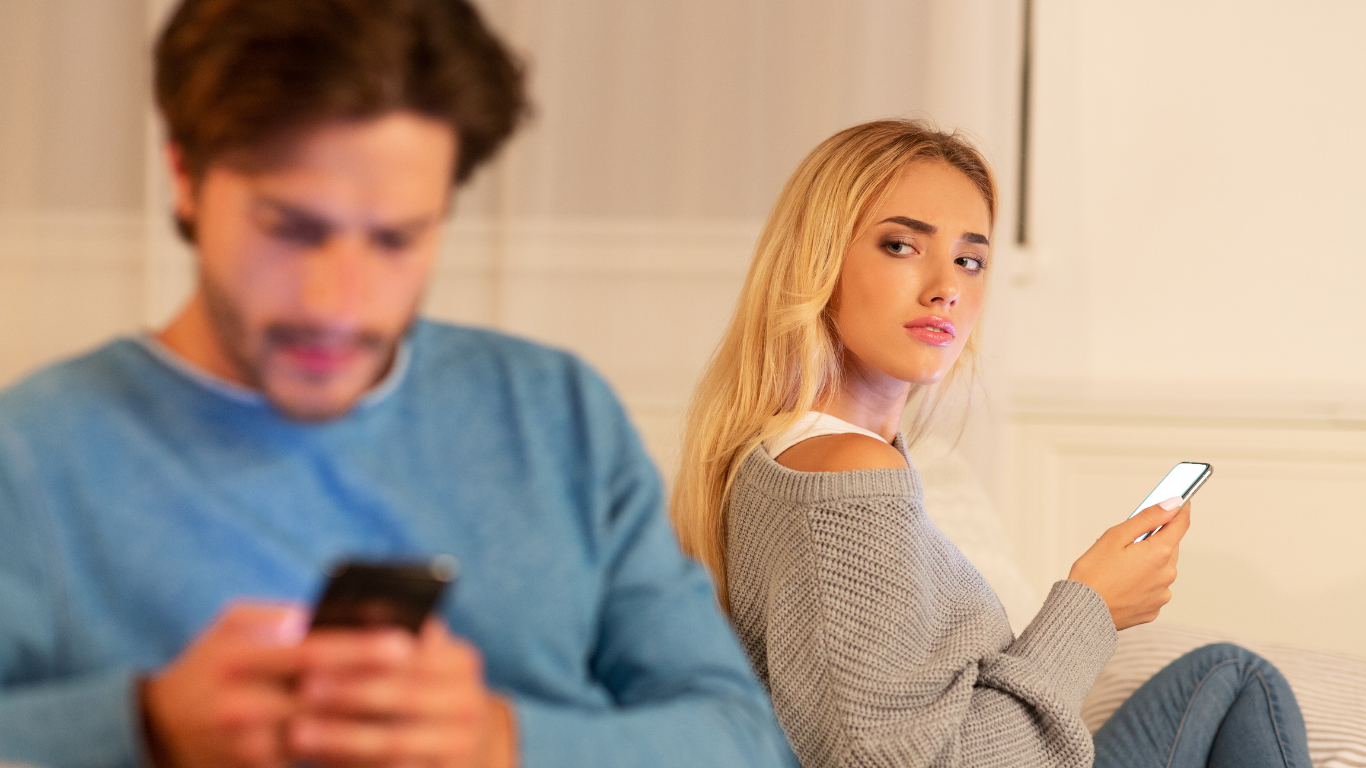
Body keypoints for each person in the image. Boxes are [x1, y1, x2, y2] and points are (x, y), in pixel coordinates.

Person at [0, 2, 796, 767]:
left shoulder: (556, 415)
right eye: (292, 229)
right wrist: (143, 727)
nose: (337, 304)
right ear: (184, 175)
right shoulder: (37, 453)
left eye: (396, 239)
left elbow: (745, 745)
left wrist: (499, 745)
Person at [670, 119, 1311, 768]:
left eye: (969, 260)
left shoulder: (781, 454)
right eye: (900, 246)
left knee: (1226, 677)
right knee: (1240, 680)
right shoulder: (848, 474)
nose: (945, 286)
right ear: (818, 259)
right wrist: (1092, 607)